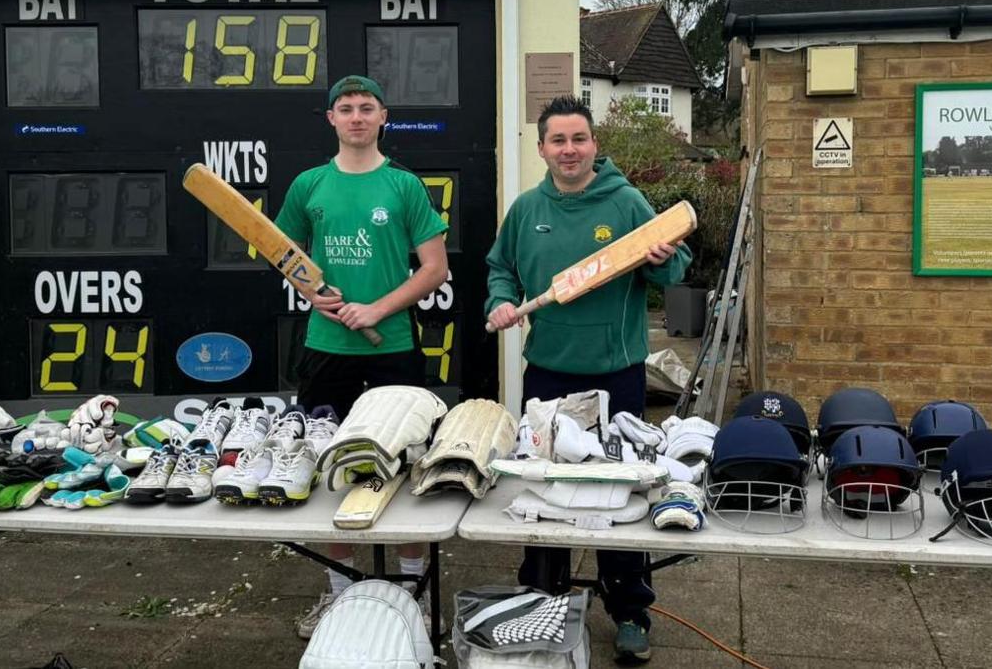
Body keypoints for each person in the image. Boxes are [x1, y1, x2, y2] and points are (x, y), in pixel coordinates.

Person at [485, 94, 692, 663]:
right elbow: (501, 267)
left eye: (579, 139)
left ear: (594, 144)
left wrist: (661, 257)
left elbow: (675, 267)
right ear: (544, 147)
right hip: (547, 371)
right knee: (541, 491)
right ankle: (540, 598)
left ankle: (630, 610)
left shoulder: (625, 203)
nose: (569, 150)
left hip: (616, 375)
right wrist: (503, 301)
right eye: (558, 140)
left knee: (620, 496)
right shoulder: (528, 209)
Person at [273, 75, 449, 639]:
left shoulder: (403, 187)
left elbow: (434, 269)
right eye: (344, 108)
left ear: (382, 117)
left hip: (393, 349)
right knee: (332, 473)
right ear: (330, 119)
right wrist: (312, 295)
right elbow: (285, 254)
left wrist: (375, 309)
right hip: (327, 351)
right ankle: (339, 598)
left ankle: (412, 593)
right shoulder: (309, 185)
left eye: (365, 108)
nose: (355, 116)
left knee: (404, 470)